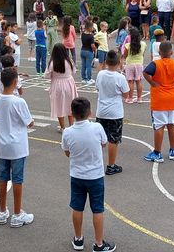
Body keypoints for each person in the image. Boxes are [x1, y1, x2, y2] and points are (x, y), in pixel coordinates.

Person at [63, 97, 116, 252]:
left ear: (72, 113)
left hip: (77, 175)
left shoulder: (68, 132)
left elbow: (67, 152)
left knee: (77, 207)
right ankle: (99, 244)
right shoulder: (97, 127)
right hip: (95, 176)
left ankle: (78, 239)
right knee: (97, 209)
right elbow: (104, 143)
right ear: (90, 113)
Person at [0, 67, 35, 228]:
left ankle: (2, 211)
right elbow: (29, 122)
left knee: (3, 178)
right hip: (17, 146)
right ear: (15, 82)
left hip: (3, 145)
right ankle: (17, 214)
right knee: (18, 180)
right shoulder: (19, 101)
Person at [143, 41, 174, 163]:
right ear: (171, 52)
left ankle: (157, 153)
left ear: (159, 53)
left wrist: (153, 83)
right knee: (173, 124)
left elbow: (145, 72)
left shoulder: (155, 63)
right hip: (173, 97)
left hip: (159, 98)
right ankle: (173, 150)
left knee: (159, 125)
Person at [45, 43, 78, 132]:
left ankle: (63, 127)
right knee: (70, 104)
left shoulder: (52, 63)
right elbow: (74, 71)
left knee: (59, 105)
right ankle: (72, 126)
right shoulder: (69, 61)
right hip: (69, 83)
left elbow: (47, 75)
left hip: (57, 85)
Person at [123, 28, 146, 103]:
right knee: (138, 81)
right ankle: (139, 98)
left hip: (130, 64)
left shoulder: (127, 45)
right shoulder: (143, 44)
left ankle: (130, 98)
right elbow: (143, 54)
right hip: (139, 64)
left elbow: (125, 55)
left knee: (130, 81)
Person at [80, 18, 96, 85]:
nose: (93, 28)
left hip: (82, 50)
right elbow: (92, 45)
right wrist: (95, 50)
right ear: (89, 27)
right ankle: (89, 79)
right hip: (89, 51)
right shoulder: (91, 36)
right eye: (92, 27)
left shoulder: (83, 34)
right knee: (88, 65)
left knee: (83, 65)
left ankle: (83, 78)